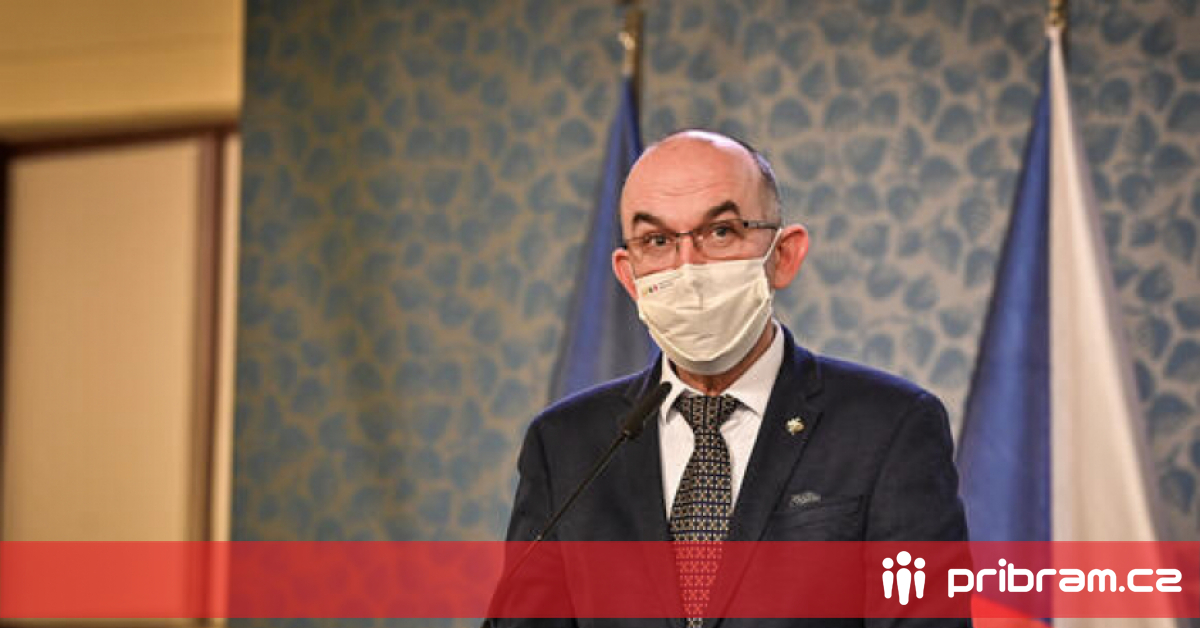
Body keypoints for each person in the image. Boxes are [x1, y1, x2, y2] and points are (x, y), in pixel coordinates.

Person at [499, 130, 969, 627]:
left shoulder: (889, 428)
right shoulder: (565, 445)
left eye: (721, 232)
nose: (688, 268)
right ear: (629, 276)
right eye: (657, 241)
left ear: (783, 255)